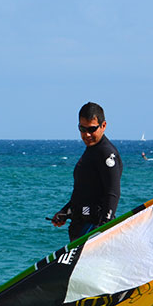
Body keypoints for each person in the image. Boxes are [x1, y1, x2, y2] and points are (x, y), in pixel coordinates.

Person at [50, 102, 122, 241]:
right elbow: (84, 192)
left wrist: (103, 227)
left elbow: (112, 193)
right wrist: (65, 211)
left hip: (92, 227)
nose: (87, 134)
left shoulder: (106, 154)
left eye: (92, 129)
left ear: (103, 126)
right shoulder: (91, 150)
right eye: (82, 129)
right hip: (79, 225)